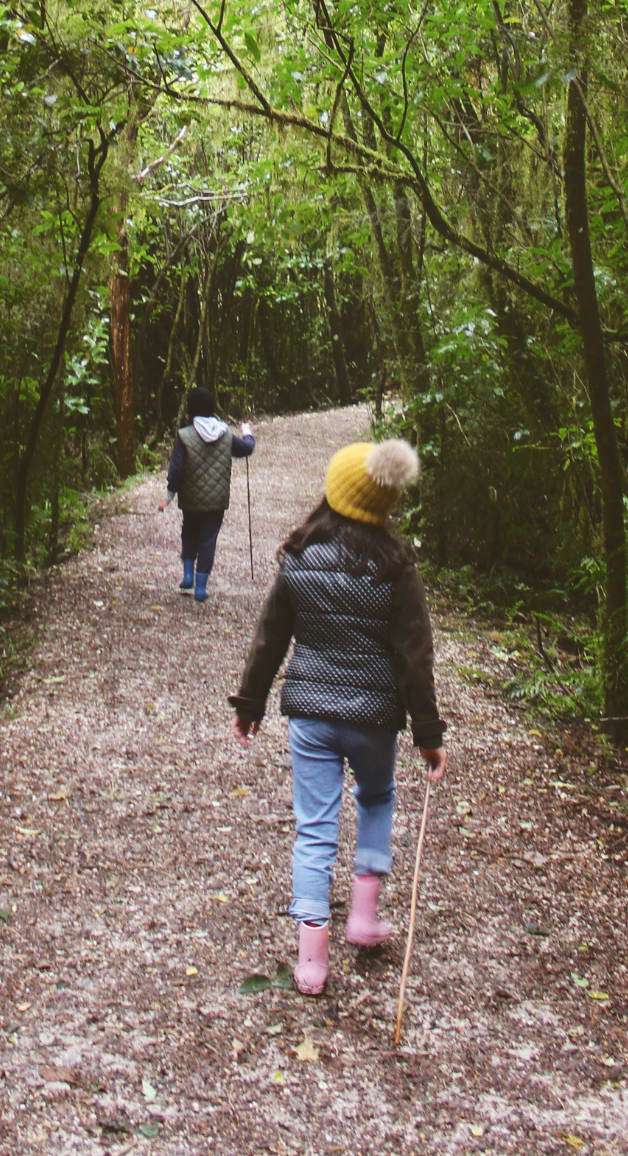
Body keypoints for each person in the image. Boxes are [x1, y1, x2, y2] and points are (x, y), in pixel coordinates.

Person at [228, 438, 446, 996]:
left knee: (314, 829)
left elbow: (270, 637)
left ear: (333, 492)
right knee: (375, 798)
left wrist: (251, 703)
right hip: (374, 717)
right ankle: (364, 917)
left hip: (310, 716)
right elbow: (413, 656)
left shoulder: (299, 557)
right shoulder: (398, 568)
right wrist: (428, 733)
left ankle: (312, 959)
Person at [160, 386, 254, 602]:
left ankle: (186, 576)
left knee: (190, 533)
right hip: (216, 501)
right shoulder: (225, 434)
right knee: (208, 541)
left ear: (190, 410)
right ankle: (201, 587)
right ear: (212, 408)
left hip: (191, 500)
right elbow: (247, 448)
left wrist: (169, 495)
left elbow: (176, 468)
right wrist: (247, 432)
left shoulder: (185, 436)